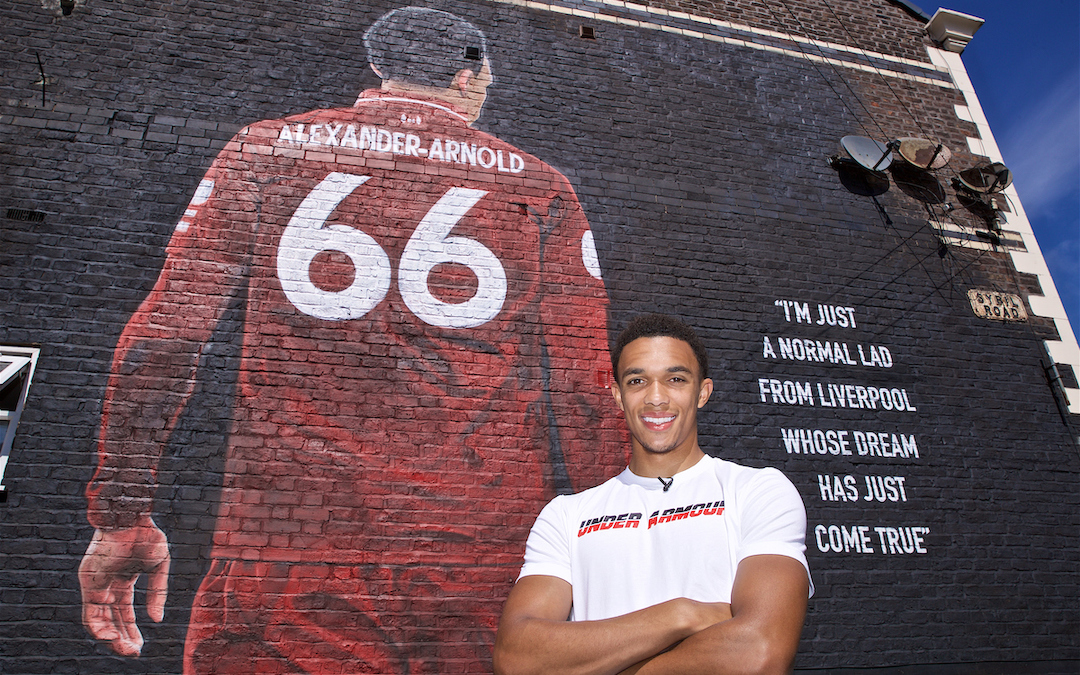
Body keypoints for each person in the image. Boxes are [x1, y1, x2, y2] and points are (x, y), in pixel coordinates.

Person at [79, 7, 623, 673]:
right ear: (466, 77)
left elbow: (166, 337)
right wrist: (627, 553)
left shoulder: (267, 147)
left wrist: (122, 509)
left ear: (378, 68)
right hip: (483, 565)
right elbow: (587, 393)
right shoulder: (541, 187)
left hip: (286, 563)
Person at [494, 314, 813, 675]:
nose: (656, 398)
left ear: (703, 393)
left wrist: (596, 665)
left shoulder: (757, 491)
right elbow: (516, 659)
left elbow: (760, 653)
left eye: (675, 379)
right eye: (637, 380)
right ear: (617, 395)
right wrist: (681, 614)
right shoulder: (567, 515)